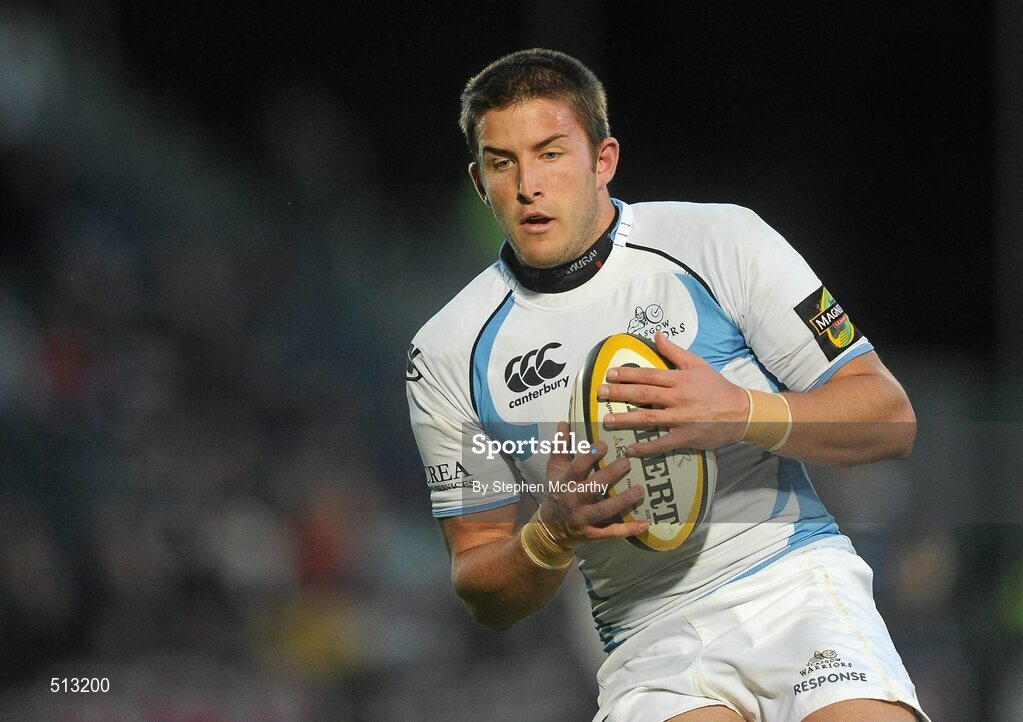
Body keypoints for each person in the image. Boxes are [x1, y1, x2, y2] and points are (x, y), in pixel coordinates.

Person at [405, 48, 928, 722]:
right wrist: (549, 535)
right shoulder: (446, 352)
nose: (528, 183)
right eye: (503, 163)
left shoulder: (723, 241)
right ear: (480, 181)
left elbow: (890, 418)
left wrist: (740, 412)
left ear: (603, 160)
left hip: (793, 588)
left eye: (550, 153)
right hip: (648, 642)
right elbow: (481, 586)